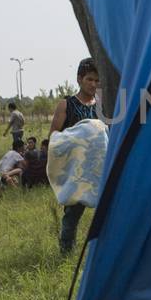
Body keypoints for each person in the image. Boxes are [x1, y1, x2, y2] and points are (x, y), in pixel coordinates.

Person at [51, 59, 102, 254]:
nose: (93, 84)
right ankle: (66, 252)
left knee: (106, 210)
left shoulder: (101, 106)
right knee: (73, 214)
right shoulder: (67, 105)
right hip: (75, 170)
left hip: (97, 167)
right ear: (79, 79)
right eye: (89, 79)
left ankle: (101, 250)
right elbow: (54, 135)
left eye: (96, 80)